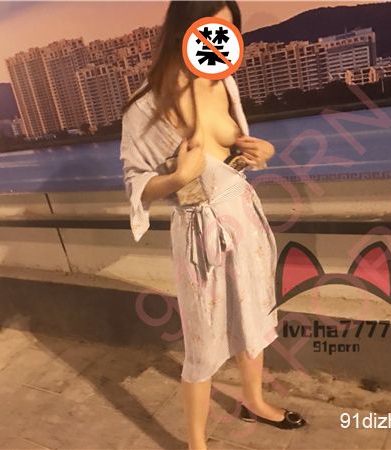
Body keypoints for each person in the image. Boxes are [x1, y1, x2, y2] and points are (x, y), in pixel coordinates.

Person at [119, 2, 307, 449]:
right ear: (184, 28)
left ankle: (254, 401)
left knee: (253, 315)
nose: (219, 41)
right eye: (211, 29)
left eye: (228, 31)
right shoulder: (147, 104)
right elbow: (135, 183)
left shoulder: (223, 80)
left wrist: (259, 153)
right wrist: (176, 179)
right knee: (202, 340)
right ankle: (197, 442)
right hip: (199, 231)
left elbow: (231, 154)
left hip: (243, 215)